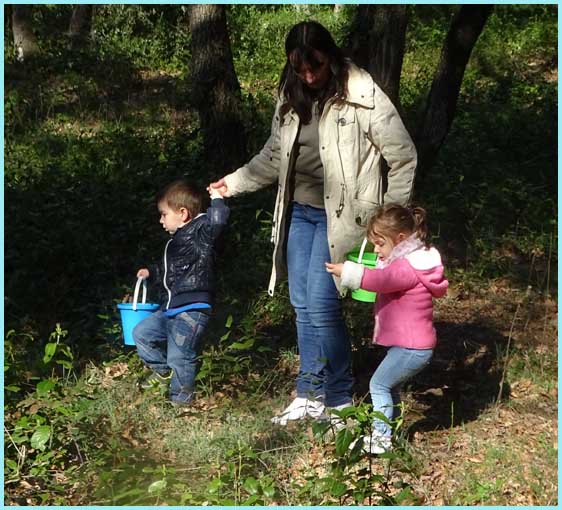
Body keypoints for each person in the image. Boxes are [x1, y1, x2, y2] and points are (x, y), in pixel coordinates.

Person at [209, 21, 417, 425]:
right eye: (299, 68)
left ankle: (338, 398)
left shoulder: (361, 92)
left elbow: (403, 155)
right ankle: (309, 393)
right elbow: (274, 156)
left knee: (322, 304)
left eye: (316, 66)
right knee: (301, 304)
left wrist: (390, 221)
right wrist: (232, 183)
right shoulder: (290, 94)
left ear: (331, 57)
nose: (308, 76)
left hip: (343, 217)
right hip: (298, 212)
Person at [326, 204, 448, 453]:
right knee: (390, 387)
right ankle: (391, 433)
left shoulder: (406, 267)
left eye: (380, 244)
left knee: (379, 385)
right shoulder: (410, 261)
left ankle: (381, 439)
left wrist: (347, 271)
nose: (376, 250)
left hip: (411, 347)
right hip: (413, 346)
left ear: (400, 238)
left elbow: (381, 280)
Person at [132, 179, 229, 406]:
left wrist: (217, 199)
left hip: (191, 308)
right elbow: (171, 270)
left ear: (183, 213)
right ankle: (162, 372)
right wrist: (152, 272)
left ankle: (181, 402)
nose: (161, 220)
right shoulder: (176, 241)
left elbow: (217, 223)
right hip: (171, 307)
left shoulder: (200, 231)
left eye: (164, 214)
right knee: (141, 334)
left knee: (180, 356)